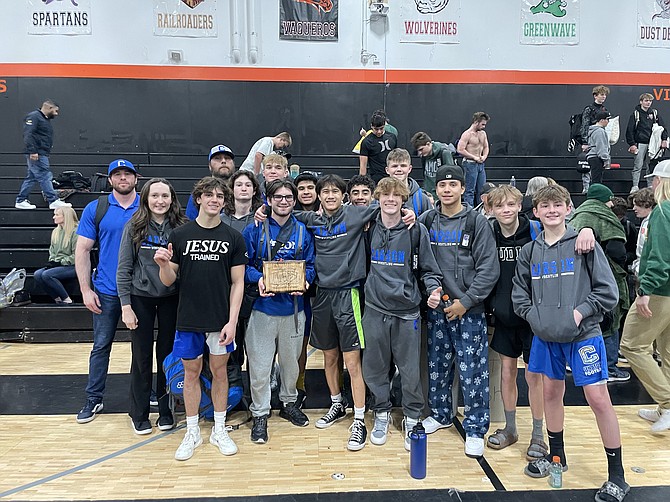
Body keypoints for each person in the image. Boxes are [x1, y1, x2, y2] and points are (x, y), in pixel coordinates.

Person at [512, 184, 628, 502]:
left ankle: (617, 475)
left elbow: (607, 292)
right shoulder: (530, 252)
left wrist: (580, 313)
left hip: (583, 335)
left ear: (567, 208)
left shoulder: (583, 243)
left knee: (597, 397)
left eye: (557, 204)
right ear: (535, 212)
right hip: (546, 335)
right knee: (551, 392)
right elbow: (519, 294)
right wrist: (535, 318)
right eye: (544, 205)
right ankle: (557, 458)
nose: (551, 210)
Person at [154, 176, 247, 461]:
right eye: (209, 195)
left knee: (220, 373)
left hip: (219, 321)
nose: (215, 199)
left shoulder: (233, 237)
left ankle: (219, 429)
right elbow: (169, 279)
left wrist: (232, 322)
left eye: (220, 196)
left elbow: (238, 283)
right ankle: (192, 431)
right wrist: (162, 265)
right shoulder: (180, 235)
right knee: (191, 374)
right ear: (199, 199)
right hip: (189, 320)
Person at [418, 164, 500, 458]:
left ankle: (476, 428)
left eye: (453, 185)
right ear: (436, 190)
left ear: (463, 189)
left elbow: (489, 269)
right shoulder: (427, 220)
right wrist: (433, 290)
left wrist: (466, 302)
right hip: (438, 308)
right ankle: (440, 415)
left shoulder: (476, 222)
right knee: (437, 367)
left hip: (469, 310)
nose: (447, 190)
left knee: (473, 371)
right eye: (442, 186)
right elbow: (423, 264)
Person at [362, 177, 443, 450]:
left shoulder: (415, 229)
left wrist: (433, 290)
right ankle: (382, 412)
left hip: (407, 311)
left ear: (403, 200)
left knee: (410, 371)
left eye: (396, 196)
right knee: (374, 367)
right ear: (378, 198)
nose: (390, 200)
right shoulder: (368, 226)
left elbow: (429, 269)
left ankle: (411, 416)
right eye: (385, 195)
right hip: (374, 308)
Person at [243, 179, 316, 443]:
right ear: (269, 200)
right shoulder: (254, 229)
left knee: (290, 365)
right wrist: (258, 279)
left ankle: (288, 403)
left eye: (288, 197)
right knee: (260, 368)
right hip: (262, 309)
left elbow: (310, 265)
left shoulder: (303, 231)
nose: (283, 201)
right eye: (278, 197)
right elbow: (244, 263)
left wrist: (306, 281)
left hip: (294, 310)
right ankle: (260, 412)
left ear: (294, 201)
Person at [117, 178, 187, 435]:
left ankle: (167, 410)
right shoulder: (134, 226)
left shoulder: (181, 227)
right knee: (142, 356)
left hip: (172, 298)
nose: (160, 201)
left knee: (168, 356)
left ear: (172, 199)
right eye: (155, 195)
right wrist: (126, 306)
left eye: (165, 196)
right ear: (146, 198)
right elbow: (123, 269)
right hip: (140, 299)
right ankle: (139, 413)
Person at [75, 159, 140, 423]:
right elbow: (82, 250)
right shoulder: (97, 208)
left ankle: (143, 392)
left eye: (127, 174)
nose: (123, 178)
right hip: (106, 290)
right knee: (101, 346)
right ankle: (94, 398)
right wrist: (85, 290)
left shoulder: (146, 206)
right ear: (110, 180)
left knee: (142, 347)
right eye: (117, 174)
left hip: (139, 291)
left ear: (136, 178)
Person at [485, 185, 546, 459]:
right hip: (504, 316)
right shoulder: (489, 232)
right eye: (500, 206)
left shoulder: (535, 230)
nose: (506, 210)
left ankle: (538, 435)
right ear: (492, 209)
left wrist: (586, 231)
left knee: (534, 377)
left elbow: (566, 230)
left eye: (511, 204)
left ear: (520, 205)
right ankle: (510, 429)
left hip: (533, 318)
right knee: (507, 373)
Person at [620, 160, 670, 433]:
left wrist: (645, 290)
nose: (652, 184)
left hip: (660, 291)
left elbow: (660, 258)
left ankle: (668, 402)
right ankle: (665, 409)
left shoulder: (663, 212)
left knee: (631, 345)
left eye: (655, 180)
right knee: (668, 352)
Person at [571, 184, 630, 382]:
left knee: (585, 319)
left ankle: (576, 362)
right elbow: (617, 251)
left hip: (578, 277)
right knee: (611, 320)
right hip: (605, 275)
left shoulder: (578, 215)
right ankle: (611, 367)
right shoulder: (606, 215)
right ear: (605, 199)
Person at [15, 99, 71, 210]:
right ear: (49, 108)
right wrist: (32, 151)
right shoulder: (34, 117)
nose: (56, 114)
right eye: (55, 111)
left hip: (41, 152)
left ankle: (21, 200)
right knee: (45, 175)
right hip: (37, 153)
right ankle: (53, 200)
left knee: (31, 177)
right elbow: (28, 134)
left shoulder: (43, 119)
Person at [33, 206, 78, 304]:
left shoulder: (76, 232)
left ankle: (67, 300)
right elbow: (52, 251)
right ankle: (57, 299)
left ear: (65, 217)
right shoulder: (55, 232)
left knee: (47, 275)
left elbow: (77, 255)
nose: (54, 217)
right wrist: (54, 261)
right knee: (37, 274)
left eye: (57, 215)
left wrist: (61, 262)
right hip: (58, 264)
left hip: (74, 266)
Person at [626, 93, 668, 194]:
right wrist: (632, 144)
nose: (648, 103)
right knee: (638, 165)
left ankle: (650, 185)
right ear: (641, 102)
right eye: (646, 100)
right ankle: (635, 185)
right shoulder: (636, 114)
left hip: (653, 144)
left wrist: (664, 139)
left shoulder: (654, 113)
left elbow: (663, 128)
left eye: (650, 101)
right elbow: (630, 130)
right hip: (640, 143)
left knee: (651, 165)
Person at [185, 144, 235, 220]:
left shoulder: (243, 190)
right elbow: (190, 223)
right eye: (217, 158)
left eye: (227, 158)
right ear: (209, 165)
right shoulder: (200, 192)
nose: (223, 161)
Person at [385, 148, 432, 216]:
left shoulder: (422, 199)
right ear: (387, 170)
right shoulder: (379, 198)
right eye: (394, 166)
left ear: (410, 169)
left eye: (403, 166)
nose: (399, 169)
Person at [457, 112, 490, 207]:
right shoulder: (467, 134)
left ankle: (482, 210)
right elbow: (460, 149)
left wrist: (484, 156)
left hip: (480, 164)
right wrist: (474, 157)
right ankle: (469, 211)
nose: (484, 126)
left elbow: (486, 147)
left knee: (482, 190)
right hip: (470, 164)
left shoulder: (483, 133)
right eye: (482, 124)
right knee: (469, 190)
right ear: (476, 122)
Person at [410, 131, 456, 199]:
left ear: (428, 144)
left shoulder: (444, 152)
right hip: (428, 192)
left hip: (441, 193)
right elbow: (425, 174)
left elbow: (450, 174)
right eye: (418, 151)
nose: (420, 153)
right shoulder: (424, 156)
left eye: (421, 149)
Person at [358, 110, 398, 184]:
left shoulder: (392, 137)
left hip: (392, 178)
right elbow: (363, 167)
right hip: (376, 180)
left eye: (381, 128)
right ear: (371, 126)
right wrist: (362, 184)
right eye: (376, 129)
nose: (379, 131)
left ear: (385, 126)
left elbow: (396, 158)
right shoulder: (366, 142)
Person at [629, 188, 655, 279]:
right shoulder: (645, 221)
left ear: (646, 204)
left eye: (636, 205)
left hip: (648, 272)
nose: (633, 208)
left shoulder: (655, 221)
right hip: (642, 269)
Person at [586, 112, 612, 185]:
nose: (608, 122)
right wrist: (606, 159)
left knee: (594, 179)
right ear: (602, 120)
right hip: (597, 158)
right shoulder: (599, 131)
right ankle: (595, 195)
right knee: (596, 182)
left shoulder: (593, 131)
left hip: (592, 157)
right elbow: (601, 147)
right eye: (607, 119)